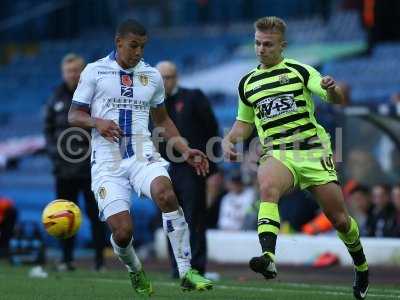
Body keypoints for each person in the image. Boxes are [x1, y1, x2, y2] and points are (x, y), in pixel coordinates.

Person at [222, 16, 369, 299]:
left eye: (268, 44)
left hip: (313, 151)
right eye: (257, 43)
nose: (261, 49)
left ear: (282, 46)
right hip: (278, 152)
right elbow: (244, 123)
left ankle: (361, 266)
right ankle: (268, 257)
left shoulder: (300, 71)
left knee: (339, 219)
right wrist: (229, 139)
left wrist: (330, 88)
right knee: (267, 187)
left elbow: (334, 98)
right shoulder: (247, 84)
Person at [67, 19, 213, 296]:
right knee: (123, 233)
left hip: (142, 155)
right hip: (107, 162)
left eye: (143, 47)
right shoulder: (95, 71)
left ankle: (186, 271)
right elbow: (74, 114)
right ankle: (135, 270)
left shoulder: (152, 76)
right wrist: (98, 122)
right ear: (118, 42)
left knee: (166, 195)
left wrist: (185, 150)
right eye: (133, 46)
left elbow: (163, 121)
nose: (138, 52)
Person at [156, 61, 220, 277]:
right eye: (161, 77)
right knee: (170, 218)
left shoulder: (193, 97)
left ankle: (198, 267)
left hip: (191, 168)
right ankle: (177, 268)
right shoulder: (152, 104)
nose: (165, 81)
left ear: (177, 77)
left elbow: (212, 129)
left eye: (169, 77)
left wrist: (212, 166)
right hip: (163, 168)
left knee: (195, 218)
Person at [44, 53, 107, 271]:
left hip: (92, 168)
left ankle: (100, 261)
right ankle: (66, 259)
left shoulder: (95, 95)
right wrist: (57, 156)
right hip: (64, 170)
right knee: (63, 216)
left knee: (96, 215)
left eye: (76, 70)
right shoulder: (55, 97)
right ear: (63, 73)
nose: (72, 74)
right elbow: (48, 131)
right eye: (68, 71)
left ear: (83, 72)